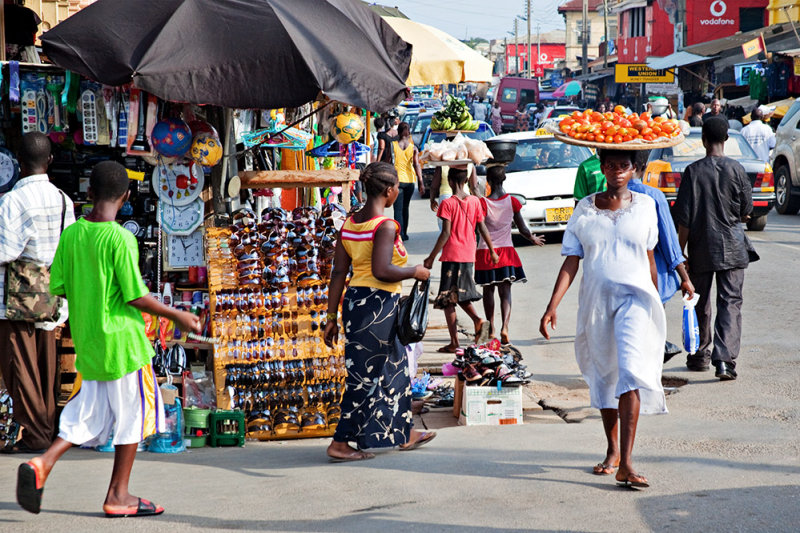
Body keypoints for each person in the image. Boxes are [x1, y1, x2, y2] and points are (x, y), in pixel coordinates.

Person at [15, 161, 201, 516]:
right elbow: (134, 295)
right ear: (127, 197)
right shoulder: (120, 237)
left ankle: (43, 463)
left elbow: (61, 286)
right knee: (133, 416)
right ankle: (119, 495)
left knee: (86, 414)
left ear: (88, 194)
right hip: (124, 344)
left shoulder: (71, 235)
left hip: (91, 343)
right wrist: (176, 313)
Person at [540, 149, 666, 489]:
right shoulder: (584, 209)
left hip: (636, 302)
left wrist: (657, 304)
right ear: (602, 167)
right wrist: (552, 305)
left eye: (624, 165)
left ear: (634, 169)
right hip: (596, 303)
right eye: (610, 165)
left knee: (630, 373)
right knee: (606, 375)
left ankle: (626, 462)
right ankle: (612, 450)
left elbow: (650, 257)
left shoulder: (646, 207)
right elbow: (571, 260)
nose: (617, 171)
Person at [323, 162, 434, 462]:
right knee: (363, 377)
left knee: (394, 369)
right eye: (397, 187)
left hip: (357, 305)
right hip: (378, 307)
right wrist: (415, 271)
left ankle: (403, 432)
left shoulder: (349, 224)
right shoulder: (384, 226)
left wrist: (331, 318)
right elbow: (381, 270)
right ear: (388, 191)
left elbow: (338, 273)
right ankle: (340, 442)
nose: (398, 191)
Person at [0, 132, 75, 454]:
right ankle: (44, 428)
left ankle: (37, 435)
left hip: (16, 297)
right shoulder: (63, 200)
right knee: (45, 366)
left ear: (18, 163)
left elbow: (5, 251)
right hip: (49, 293)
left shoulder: (12, 201)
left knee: (19, 365)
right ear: (50, 161)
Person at [673, 117, 753, 380]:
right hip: (732, 246)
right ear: (726, 139)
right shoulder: (737, 169)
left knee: (700, 301)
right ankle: (725, 361)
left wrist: (680, 253)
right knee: (730, 302)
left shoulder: (693, 172)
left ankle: (699, 355)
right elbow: (746, 211)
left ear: (703, 140)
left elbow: (683, 219)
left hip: (701, 246)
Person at [627, 150, 695, 361]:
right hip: (652, 276)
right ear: (643, 165)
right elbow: (669, 243)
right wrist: (685, 278)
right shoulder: (653, 196)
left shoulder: (603, 196)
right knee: (650, 326)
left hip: (619, 276)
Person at [424, 168, 499, 353]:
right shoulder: (475, 201)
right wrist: (492, 250)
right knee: (458, 294)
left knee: (447, 299)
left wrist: (431, 257)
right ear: (466, 180)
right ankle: (476, 322)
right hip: (468, 254)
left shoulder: (447, 204)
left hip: (452, 255)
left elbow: (446, 233)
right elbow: (482, 228)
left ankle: (457, 340)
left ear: (449, 181)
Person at [476, 166, 544, 344]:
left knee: (488, 290)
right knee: (505, 292)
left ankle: (490, 329)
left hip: (486, 252)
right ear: (503, 180)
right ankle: (505, 328)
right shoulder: (512, 202)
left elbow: (479, 228)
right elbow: (522, 229)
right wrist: (532, 238)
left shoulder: (483, 203)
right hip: (506, 251)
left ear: (488, 182)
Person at [391, 122, 424, 241]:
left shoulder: (393, 145)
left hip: (397, 181)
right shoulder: (413, 148)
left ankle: (398, 235)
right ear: (408, 132)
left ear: (398, 132)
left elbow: (388, 162)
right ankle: (404, 234)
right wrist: (421, 182)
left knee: (398, 209)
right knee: (405, 208)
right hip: (410, 181)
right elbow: (416, 165)